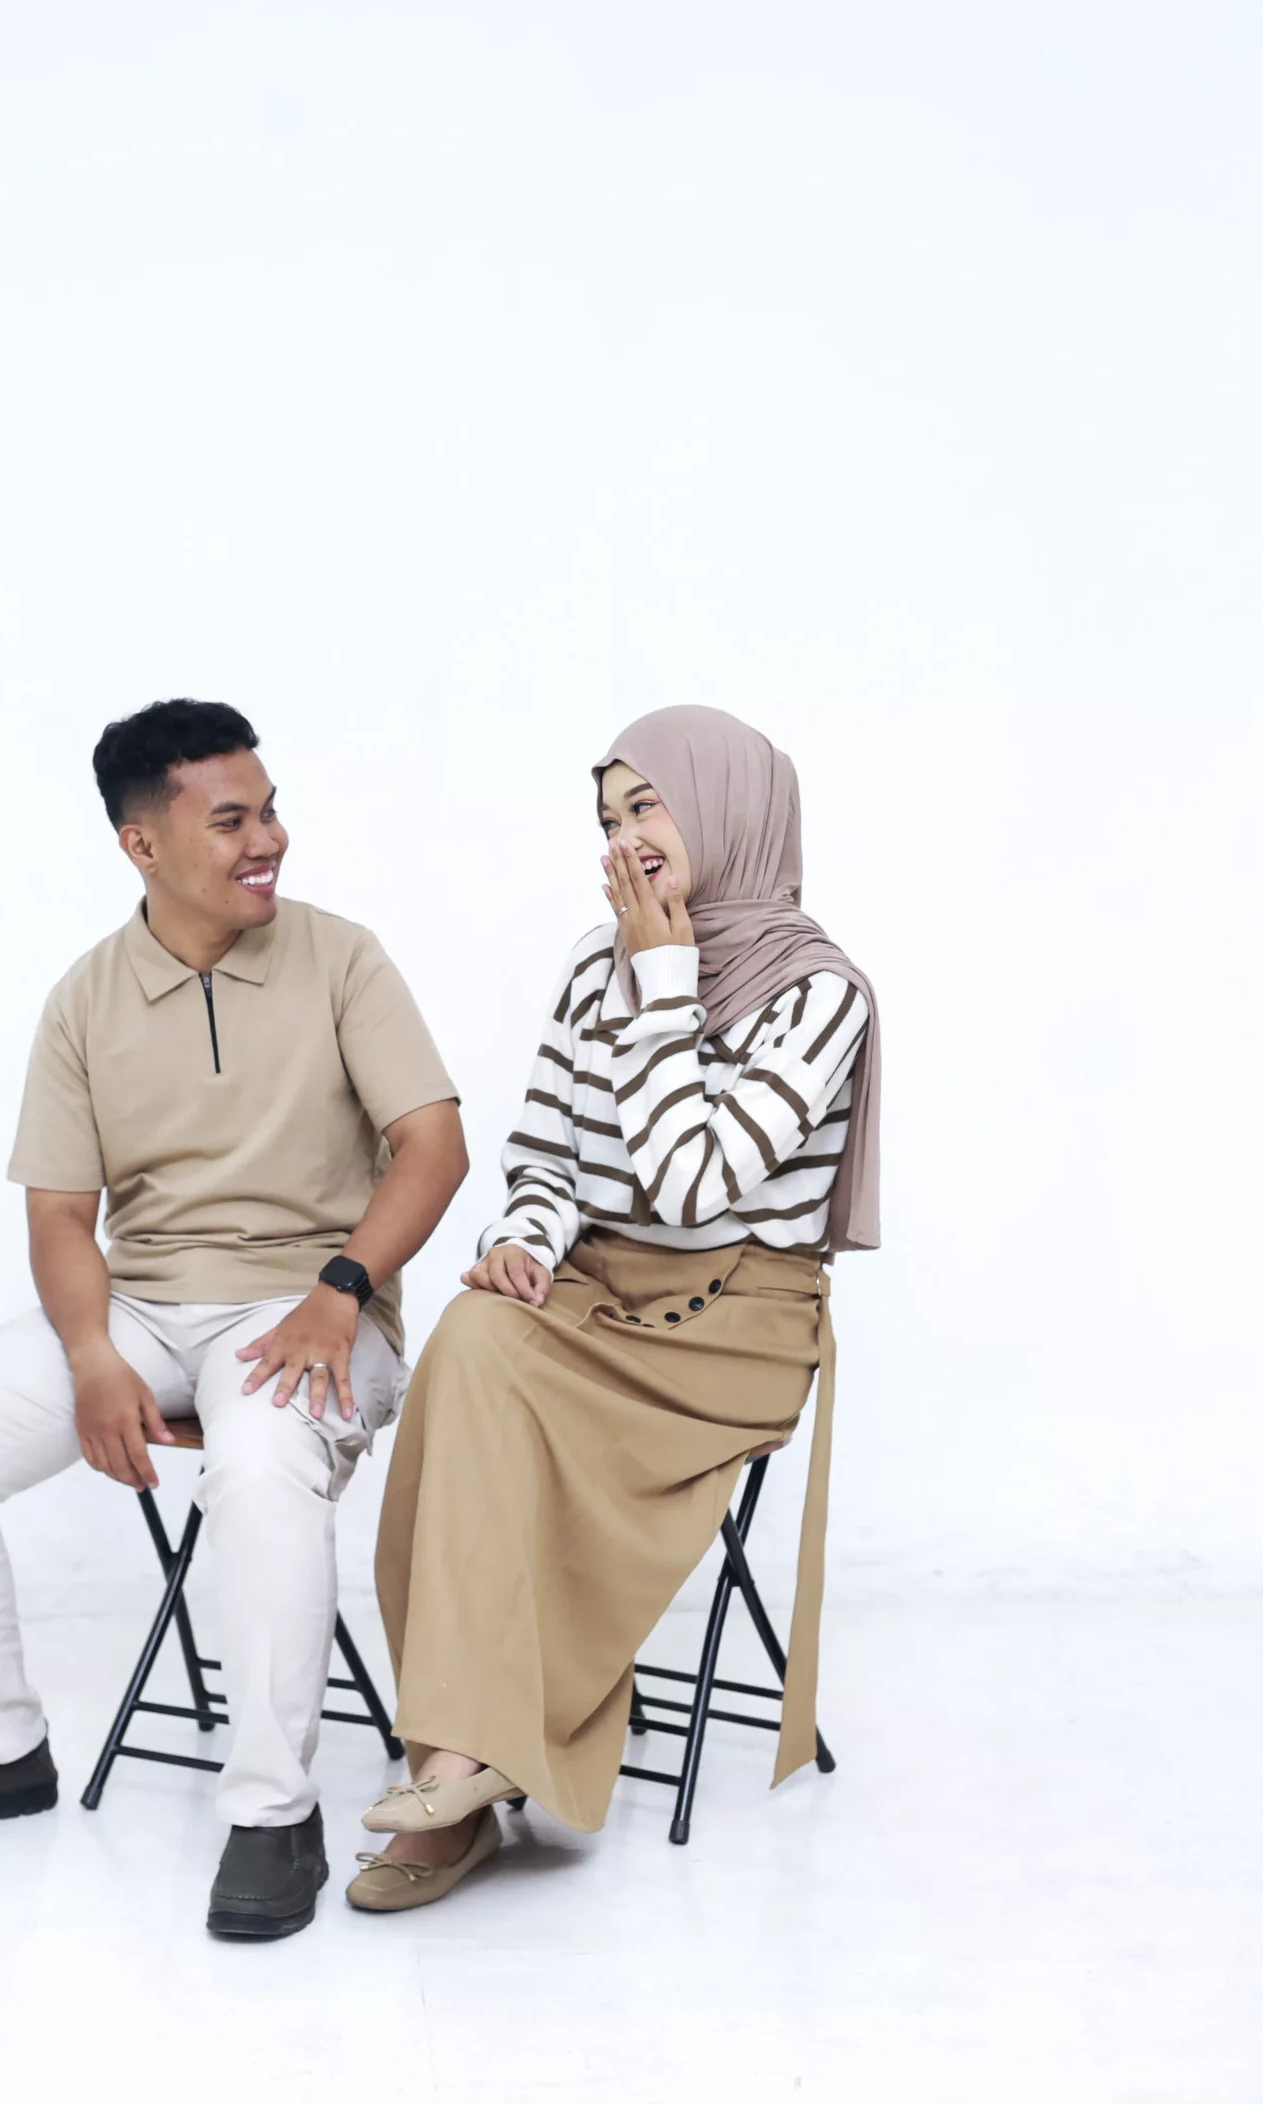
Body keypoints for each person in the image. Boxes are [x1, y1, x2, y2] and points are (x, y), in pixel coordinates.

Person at [0, 697, 466, 1941]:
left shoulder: (343, 958)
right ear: (142, 844)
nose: (268, 840)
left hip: (313, 1303)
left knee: (260, 1460)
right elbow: (60, 1215)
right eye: (231, 820)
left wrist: (339, 1291)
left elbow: (433, 1145)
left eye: (270, 810)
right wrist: (90, 1356)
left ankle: (275, 1810)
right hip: (141, 1307)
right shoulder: (86, 998)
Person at [350, 704, 879, 1913]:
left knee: (507, 1391)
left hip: (734, 1331)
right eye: (606, 817)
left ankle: (459, 1786)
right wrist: (523, 1245)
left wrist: (665, 981)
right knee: (473, 1334)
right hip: (594, 1295)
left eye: (648, 805)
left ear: (728, 809)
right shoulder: (596, 961)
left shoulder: (821, 994)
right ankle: (458, 1761)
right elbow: (546, 1157)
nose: (624, 837)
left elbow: (694, 1180)